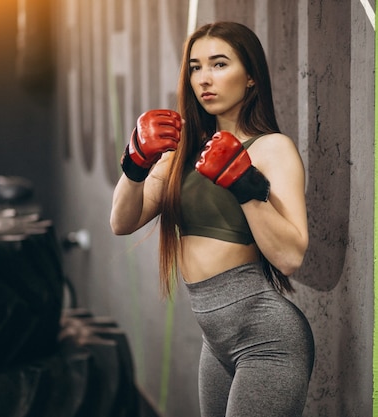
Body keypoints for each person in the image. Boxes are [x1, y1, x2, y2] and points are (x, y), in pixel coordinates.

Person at [110, 21, 314, 417]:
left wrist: (243, 184)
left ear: (251, 76)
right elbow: (122, 221)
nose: (204, 79)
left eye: (219, 64)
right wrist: (134, 163)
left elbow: (290, 257)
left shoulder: (273, 148)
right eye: (195, 67)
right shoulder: (181, 151)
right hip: (215, 341)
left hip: (267, 339)